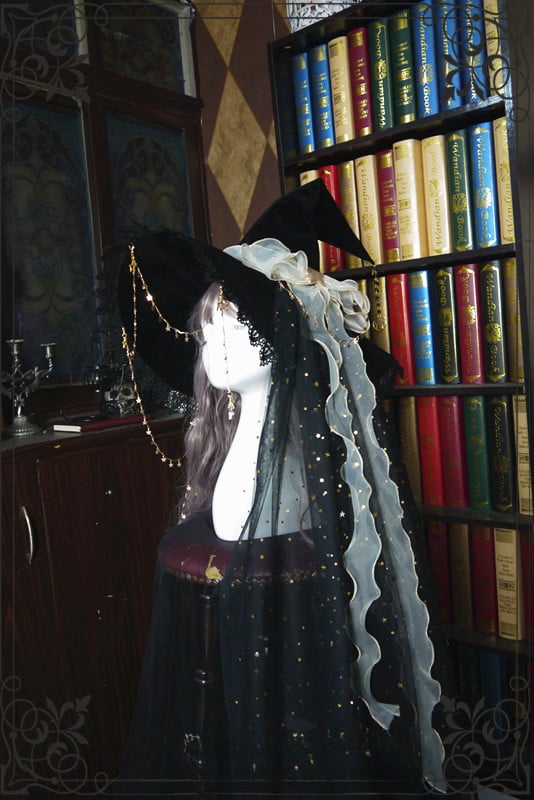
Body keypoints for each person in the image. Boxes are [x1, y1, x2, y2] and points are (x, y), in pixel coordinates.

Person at [112, 180, 457, 799]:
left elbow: (234, 519)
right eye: (208, 330)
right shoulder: (252, 450)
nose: (215, 344)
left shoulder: (276, 469)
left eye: (235, 323)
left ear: (288, 334)